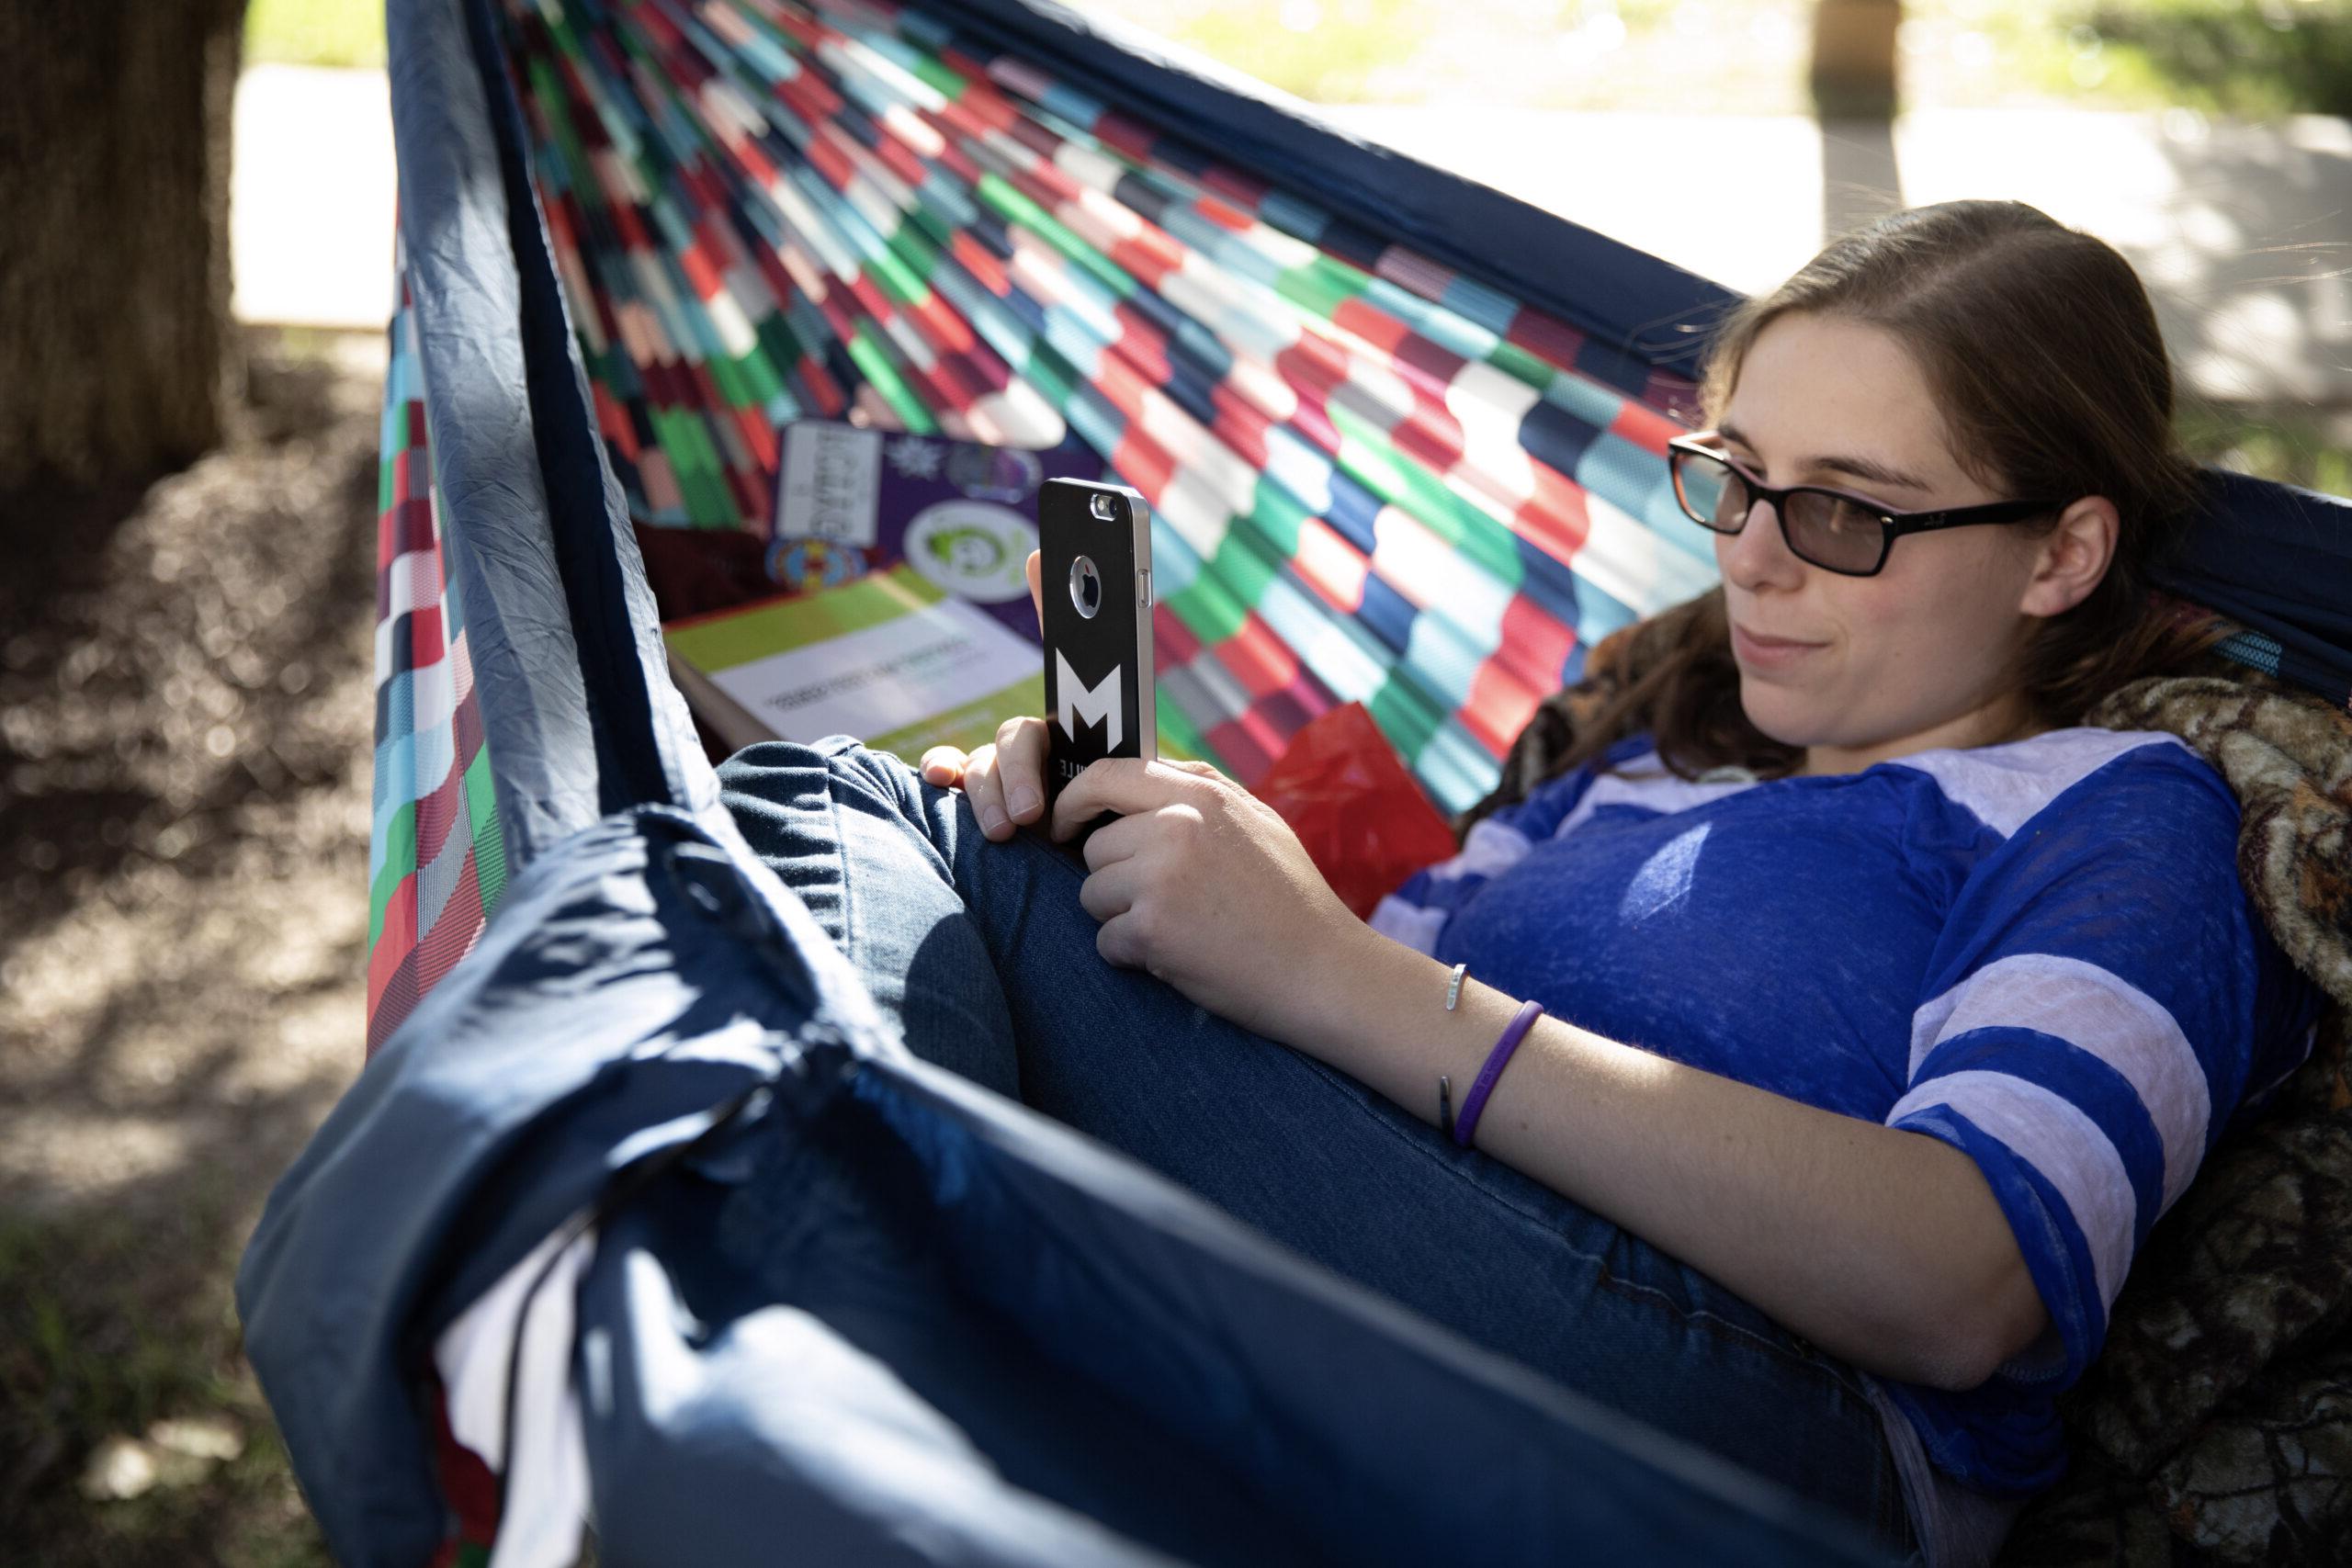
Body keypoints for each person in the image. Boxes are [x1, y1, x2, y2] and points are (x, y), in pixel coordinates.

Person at [715, 199, 2324, 1566]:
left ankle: (780, 1421)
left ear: (2062, 555)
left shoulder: (2120, 814)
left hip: (1773, 1445)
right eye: (1738, 476)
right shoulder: (1627, 767)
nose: (1754, 555)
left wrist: (1336, 975)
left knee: (847, 818)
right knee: (955, 848)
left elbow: (1966, 1282)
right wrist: (1163, 872)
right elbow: (1283, 1047)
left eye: (1847, 510)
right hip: (1426, 1278)